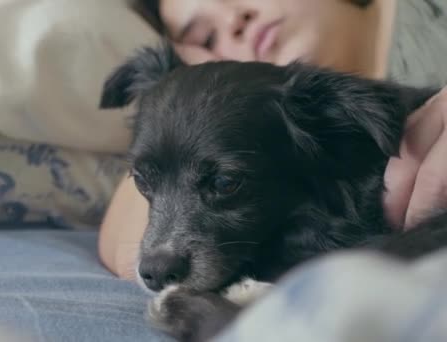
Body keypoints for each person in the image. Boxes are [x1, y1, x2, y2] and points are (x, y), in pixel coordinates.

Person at [99, 0, 447, 279]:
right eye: (207, 38)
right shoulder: (266, 124)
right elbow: (123, 247)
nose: (234, 18)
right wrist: (188, 93)